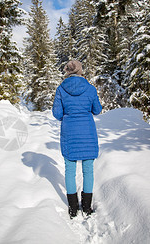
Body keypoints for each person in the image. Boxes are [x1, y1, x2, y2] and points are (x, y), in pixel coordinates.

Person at [52, 60, 102, 219]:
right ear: (81, 70)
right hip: (87, 133)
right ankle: (86, 206)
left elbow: (57, 114)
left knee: (70, 170)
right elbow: (97, 110)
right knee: (88, 170)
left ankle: (73, 207)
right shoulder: (90, 88)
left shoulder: (61, 89)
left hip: (70, 133)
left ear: (67, 71)